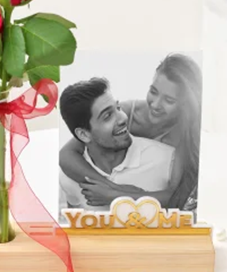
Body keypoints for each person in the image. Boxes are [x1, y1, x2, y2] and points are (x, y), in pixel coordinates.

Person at [59, 53, 202, 212]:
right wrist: (112, 187)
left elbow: (177, 198)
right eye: (153, 91)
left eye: (169, 100)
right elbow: (66, 154)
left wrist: (115, 195)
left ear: (186, 104)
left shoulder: (185, 137)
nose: (155, 105)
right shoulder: (128, 112)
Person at [58, 77, 175, 213]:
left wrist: (118, 194)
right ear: (83, 135)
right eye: (107, 116)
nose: (123, 118)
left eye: (118, 108)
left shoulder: (167, 160)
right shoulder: (68, 178)